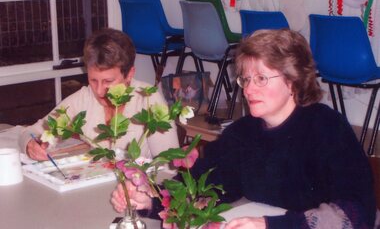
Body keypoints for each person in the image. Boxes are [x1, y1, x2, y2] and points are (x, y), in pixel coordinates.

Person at [111, 29, 376, 228]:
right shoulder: (243, 132)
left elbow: (353, 213)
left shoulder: (327, 129)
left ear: (293, 81)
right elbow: (205, 184)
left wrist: (268, 225)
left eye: (261, 78)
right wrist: (150, 200)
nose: (248, 89)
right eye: (246, 79)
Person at [19, 28, 179, 161]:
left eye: (108, 81)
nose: (100, 91)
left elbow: (169, 168)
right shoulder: (84, 98)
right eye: (93, 80)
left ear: (129, 74)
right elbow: (32, 131)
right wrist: (30, 145)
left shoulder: (149, 100)